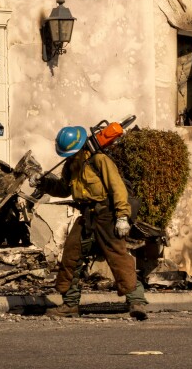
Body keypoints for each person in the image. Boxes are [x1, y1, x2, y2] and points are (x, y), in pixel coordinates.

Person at [37, 125, 147, 320]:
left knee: (118, 257)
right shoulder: (71, 166)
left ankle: (136, 302)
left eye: (71, 153)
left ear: (79, 148)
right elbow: (63, 189)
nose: (69, 156)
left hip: (107, 214)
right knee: (71, 257)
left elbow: (117, 188)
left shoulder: (100, 161)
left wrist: (122, 216)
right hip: (87, 215)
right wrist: (43, 183)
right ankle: (70, 304)